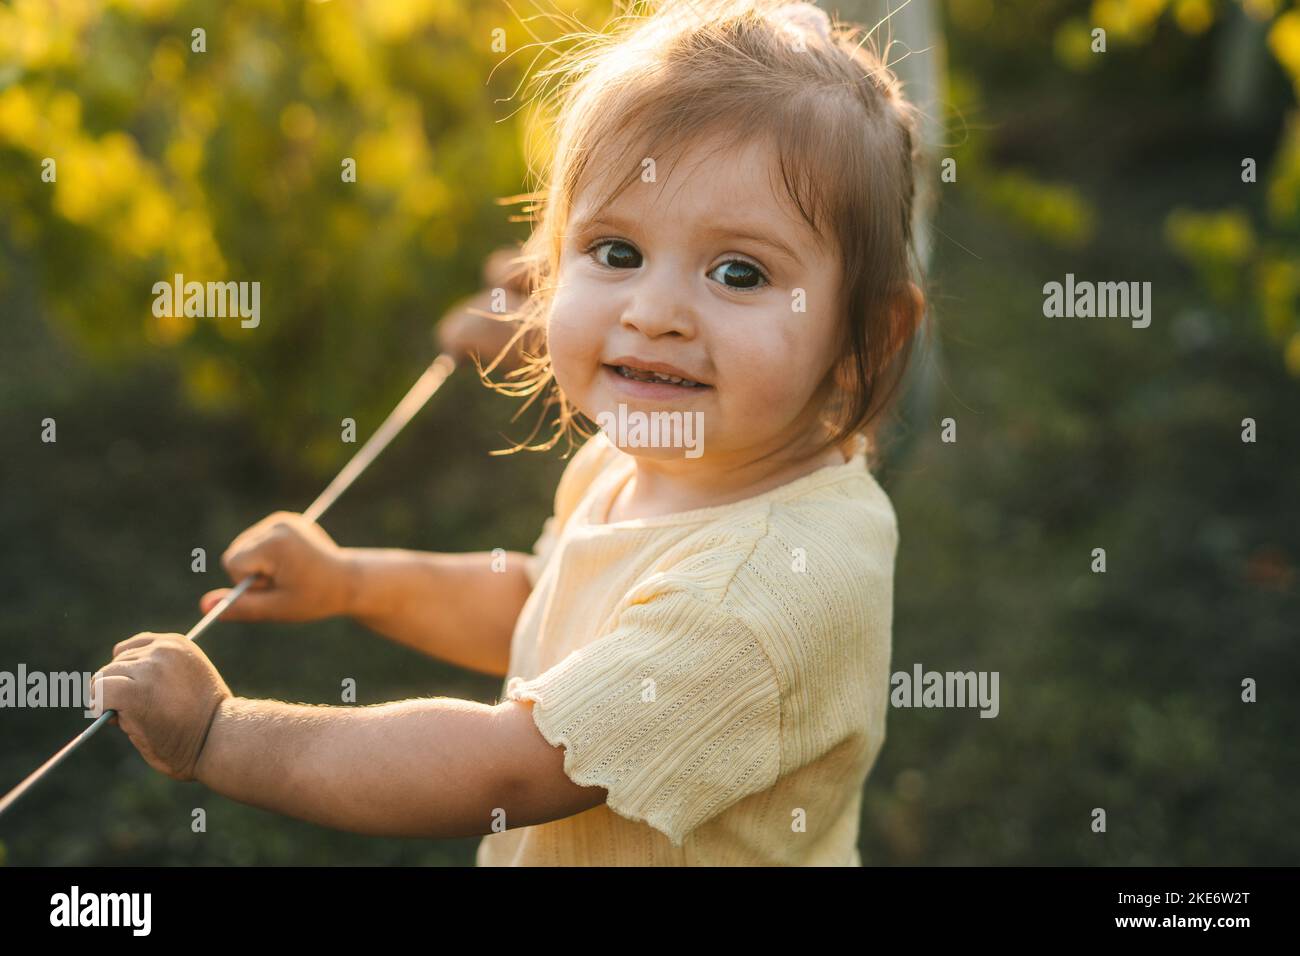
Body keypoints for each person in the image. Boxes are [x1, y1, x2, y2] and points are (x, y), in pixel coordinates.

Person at [95, 0, 927, 866]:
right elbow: (544, 607)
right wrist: (351, 581)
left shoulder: (754, 599)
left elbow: (501, 772)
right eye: (615, 252)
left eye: (739, 271)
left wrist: (218, 737)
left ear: (868, 335)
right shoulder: (655, 457)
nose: (652, 314)